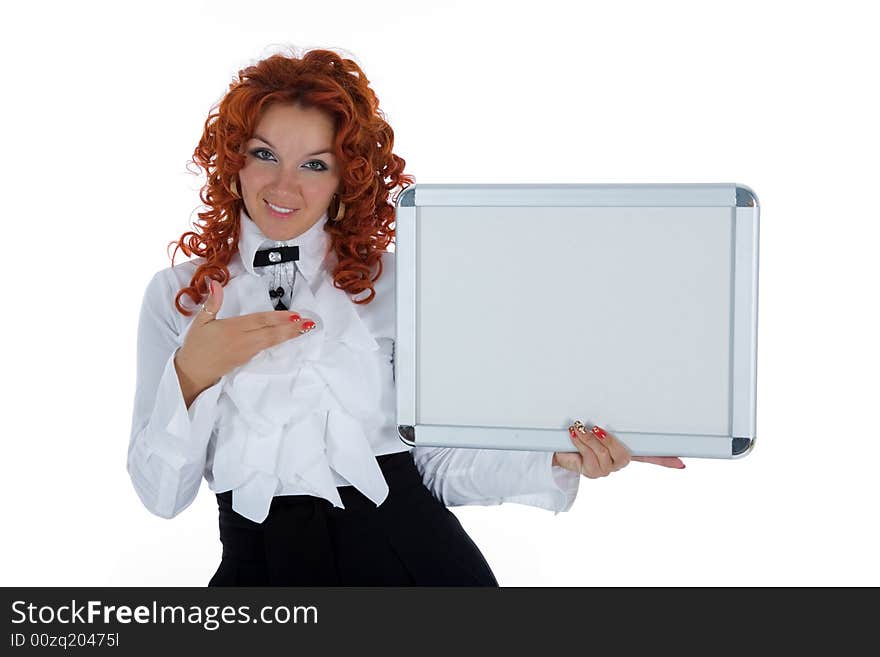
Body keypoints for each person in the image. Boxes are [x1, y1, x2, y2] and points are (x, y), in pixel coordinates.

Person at [127, 47, 685, 587]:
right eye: (264, 154)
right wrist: (192, 374)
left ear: (348, 178)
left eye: (314, 164)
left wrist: (556, 455)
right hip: (260, 571)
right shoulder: (177, 295)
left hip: (415, 566)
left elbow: (436, 466)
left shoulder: (400, 285)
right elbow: (161, 496)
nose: (284, 186)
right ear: (233, 158)